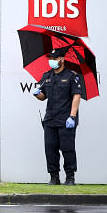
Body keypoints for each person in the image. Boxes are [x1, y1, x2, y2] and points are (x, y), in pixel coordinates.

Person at [33, 46, 82, 186]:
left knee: (68, 149)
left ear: (62, 59)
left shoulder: (72, 76)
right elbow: (43, 97)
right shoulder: (47, 76)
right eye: (51, 59)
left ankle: (70, 177)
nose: (52, 61)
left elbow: (77, 96)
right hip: (50, 119)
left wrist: (72, 116)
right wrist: (37, 94)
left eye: (55, 59)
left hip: (66, 119)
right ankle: (54, 177)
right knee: (50, 149)